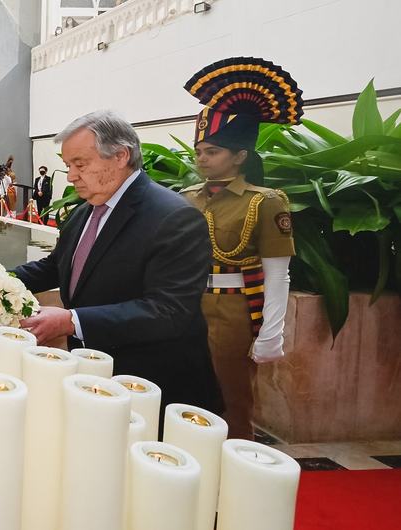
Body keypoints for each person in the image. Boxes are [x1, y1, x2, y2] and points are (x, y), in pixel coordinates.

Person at [14, 110, 223, 413]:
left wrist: (72, 321)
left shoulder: (175, 217)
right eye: (68, 165)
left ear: (120, 156)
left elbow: (169, 310)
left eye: (80, 164)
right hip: (95, 375)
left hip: (152, 385)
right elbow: (54, 268)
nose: (71, 176)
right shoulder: (85, 211)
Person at [179, 57, 301, 439]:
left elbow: (278, 271)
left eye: (212, 152)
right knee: (185, 391)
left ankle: (235, 466)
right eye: (200, 151)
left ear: (240, 156)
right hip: (186, 304)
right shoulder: (186, 198)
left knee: (232, 397)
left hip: (234, 310)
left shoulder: (265, 201)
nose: (202, 159)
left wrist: (271, 333)